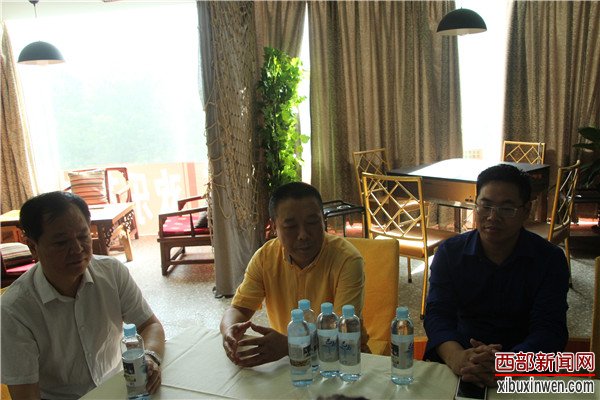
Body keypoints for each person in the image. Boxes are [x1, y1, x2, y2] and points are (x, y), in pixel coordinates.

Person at [1, 191, 165, 399]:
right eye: (61, 242)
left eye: (83, 236)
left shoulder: (112, 272)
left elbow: (150, 325)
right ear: (33, 247)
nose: (77, 249)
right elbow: (26, 395)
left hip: (120, 387)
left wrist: (148, 358)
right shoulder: (14, 310)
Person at [424, 164, 569, 388]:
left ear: (526, 211)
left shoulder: (550, 260)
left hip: (524, 366)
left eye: (507, 208)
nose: (493, 217)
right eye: (486, 206)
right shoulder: (450, 253)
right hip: (462, 359)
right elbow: (437, 315)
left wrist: (508, 364)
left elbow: (549, 329)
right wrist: (457, 358)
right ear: (475, 205)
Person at [220, 182, 368, 367]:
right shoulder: (265, 258)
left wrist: (290, 346)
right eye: (290, 226)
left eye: (312, 222)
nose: (303, 235)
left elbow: (343, 333)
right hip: (288, 363)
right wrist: (229, 331)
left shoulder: (348, 260)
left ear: (323, 220)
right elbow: (239, 309)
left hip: (344, 360)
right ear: (274, 227)